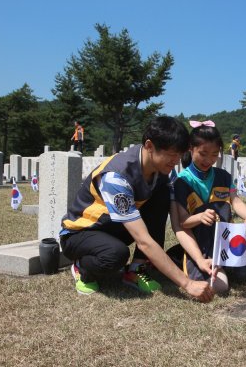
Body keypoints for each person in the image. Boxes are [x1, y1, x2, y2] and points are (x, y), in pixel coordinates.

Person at [59, 117, 214, 302]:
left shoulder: (162, 172)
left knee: (161, 195)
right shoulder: (116, 176)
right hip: (81, 233)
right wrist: (187, 284)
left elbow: (177, 225)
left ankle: (136, 270)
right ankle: (82, 267)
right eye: (171, 154)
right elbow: (144, 241)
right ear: (149, 146)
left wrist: (199, 258)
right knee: (115, 254)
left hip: (114, 226)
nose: (176, 161)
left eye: (179, 155)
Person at [170, 121, 246, 293]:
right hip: (201, 245)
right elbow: (183, 222)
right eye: (203, 154)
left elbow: (235, 200)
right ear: (191, 149)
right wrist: (199, 217)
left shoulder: (223, 176)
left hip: (224, 239)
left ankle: (223, 264)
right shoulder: (181, 182)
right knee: (220, 287)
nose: (208, 160)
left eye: (214, 155)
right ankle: (190, 260)